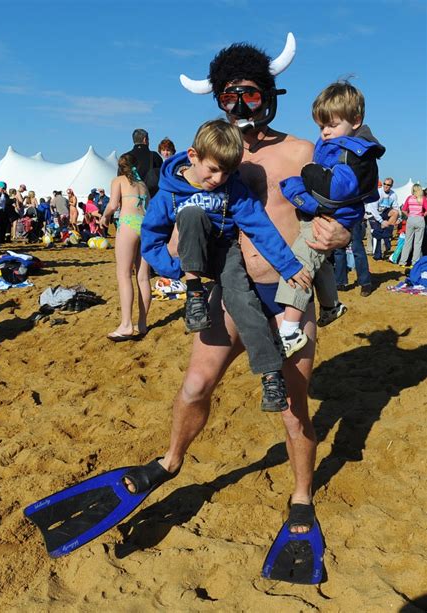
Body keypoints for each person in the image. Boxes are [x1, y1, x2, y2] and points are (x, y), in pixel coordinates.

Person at [122, 39, 350, 535]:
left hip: (289, 294)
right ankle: (171, 460)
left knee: (294, 407)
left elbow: (339, 214)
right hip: (230, 289)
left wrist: (342, 232)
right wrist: (177, 251)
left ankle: (301, 494)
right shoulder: (213, 155)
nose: (239, 106)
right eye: (229, 96)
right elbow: (174, 216)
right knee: (196, 384)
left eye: (248, 94)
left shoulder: (301, 151)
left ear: (267, 93)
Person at [142, 119, 311, 411]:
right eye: (213, 169)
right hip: (192, 258)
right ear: (193, 156)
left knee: (244, 303)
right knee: (192, 214)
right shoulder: (169, 192)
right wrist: (174, 269)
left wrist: (288, 266)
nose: (219, 178)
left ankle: (270, 375)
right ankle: (195, 295)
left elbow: (259, 226)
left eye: (227, 172)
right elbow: (151, 238)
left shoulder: (232, 187)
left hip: (226, 254)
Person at [276, 80, 384, 335]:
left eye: (332, 125)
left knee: (301, 262)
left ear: (355, 120)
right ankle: (330, 305)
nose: (324, 132)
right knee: (321, 263)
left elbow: (336, 189)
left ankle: (289, 328)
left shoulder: (355, 153)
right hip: (327, 213)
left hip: (333, 216)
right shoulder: (336, 144)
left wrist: (307, 176)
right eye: (322, 125)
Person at [100, 154, 151, 341]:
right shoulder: (143, 185)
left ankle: (127, 324)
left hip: (128, 224)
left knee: (123, 274)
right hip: (145, 226)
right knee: (143, 278)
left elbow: (113, 205)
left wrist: (104, 216)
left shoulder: (118, 180)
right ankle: (143, 323)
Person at [124, 129, 163, 197]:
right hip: (151, 198)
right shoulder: (154, 156)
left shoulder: (125, 157)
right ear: (145, 140)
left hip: (130, 198)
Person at [367, 177, 399, 260]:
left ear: (391, 186)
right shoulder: (378, 192)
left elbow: (396, 207)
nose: (386, 186)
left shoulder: (393, 195)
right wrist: (381, 221)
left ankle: (386, 236)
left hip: (384, 213)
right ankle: (377, 252)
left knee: (395, 212)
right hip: (373, 214)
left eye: (388, 185)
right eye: (385, 184)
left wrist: (399, 219)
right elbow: (373, 209)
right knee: (376, 232)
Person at [398, 184, 427, 267]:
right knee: (418, 243)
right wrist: (423, 214)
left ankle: (402, 261)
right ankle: (414, 263)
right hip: (420, 219)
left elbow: (403, 210)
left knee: (407, 241)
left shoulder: (409, 198)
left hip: (411, 219)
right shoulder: (423, 199)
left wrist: (409, 215)